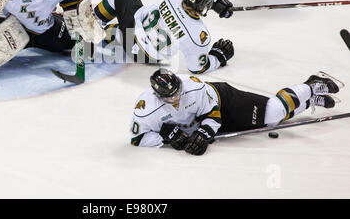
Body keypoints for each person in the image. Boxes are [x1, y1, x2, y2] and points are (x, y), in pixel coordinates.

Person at [129, 68, 341, 155]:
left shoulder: (194, 86)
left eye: (178, 92)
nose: (176, 97)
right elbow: (137, 138)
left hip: (224, 100)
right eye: (170, 96)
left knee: (274, 112)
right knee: (271, 123)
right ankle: (309, 101)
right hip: (199, 120)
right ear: (158, 95)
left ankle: (311, 85)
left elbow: (212, 114)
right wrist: (168, 138)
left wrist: (203, 134)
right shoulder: (146, 109)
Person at [92, 0, 234, 74]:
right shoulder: (199, 36)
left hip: (133, 31)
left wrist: (215, 1)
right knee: (121, 33)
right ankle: (106, 32)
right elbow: (198, 68)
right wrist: (217, 57)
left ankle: (91, 20)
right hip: (146, 56)